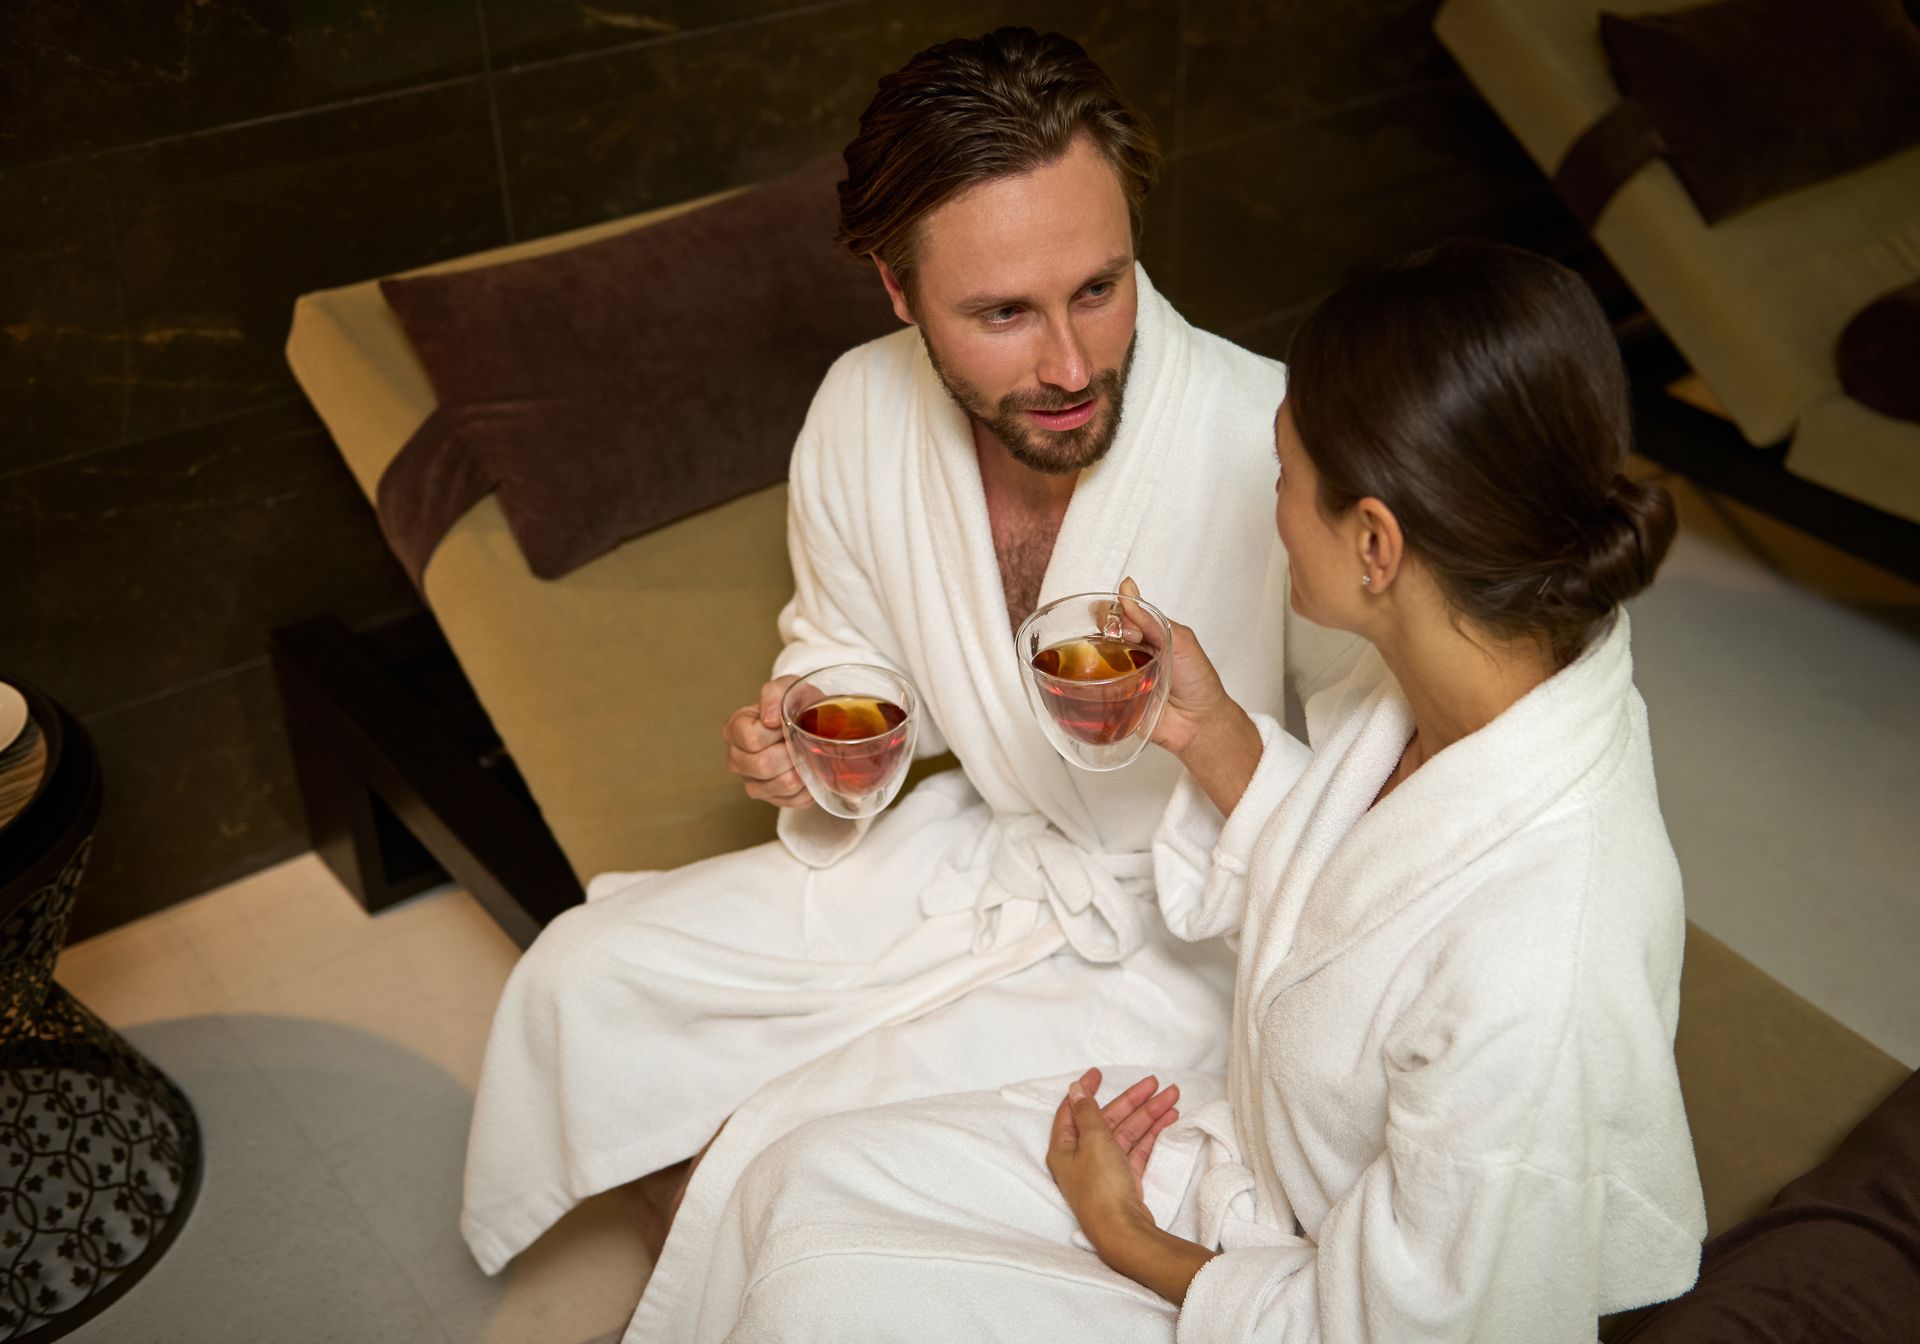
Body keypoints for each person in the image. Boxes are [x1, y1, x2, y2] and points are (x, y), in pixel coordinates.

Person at [458, 26, 1359, 1334]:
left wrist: (1216, 753)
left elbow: (1371, 820)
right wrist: (823, 753)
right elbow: (847, 655)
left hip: (1187, 948)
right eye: (1002, 313)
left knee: (793, 1151)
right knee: (583, 976)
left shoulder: (1269, 441)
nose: (1068, 364)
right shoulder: (859, 414)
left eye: (1100, 288)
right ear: (897, 290)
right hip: (988, 850)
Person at [704, 240, 1709, 1343]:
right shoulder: (1475, 678)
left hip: (1294, 1287)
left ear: (1374, 543)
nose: (1267, 507)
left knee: (817, 1295)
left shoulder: (1543, 970)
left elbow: (1401, 1331)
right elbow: (1365, 892)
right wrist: (1212, 731)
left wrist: (1132, 1239)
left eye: (1282, 478)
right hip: (1268, 1175)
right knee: (801, 1182)